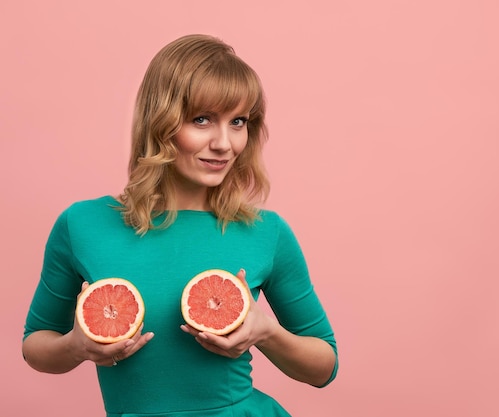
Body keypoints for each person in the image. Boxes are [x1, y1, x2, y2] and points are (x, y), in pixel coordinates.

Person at [22, 34, 338, 416]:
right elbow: (36, 345)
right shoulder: (82, 225)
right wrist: (76, 347)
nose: (225, 143)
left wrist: (265, 332)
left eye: (238, 122)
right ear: (160, 121)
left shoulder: (265, 232)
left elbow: (325, 367)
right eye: (201, 120)